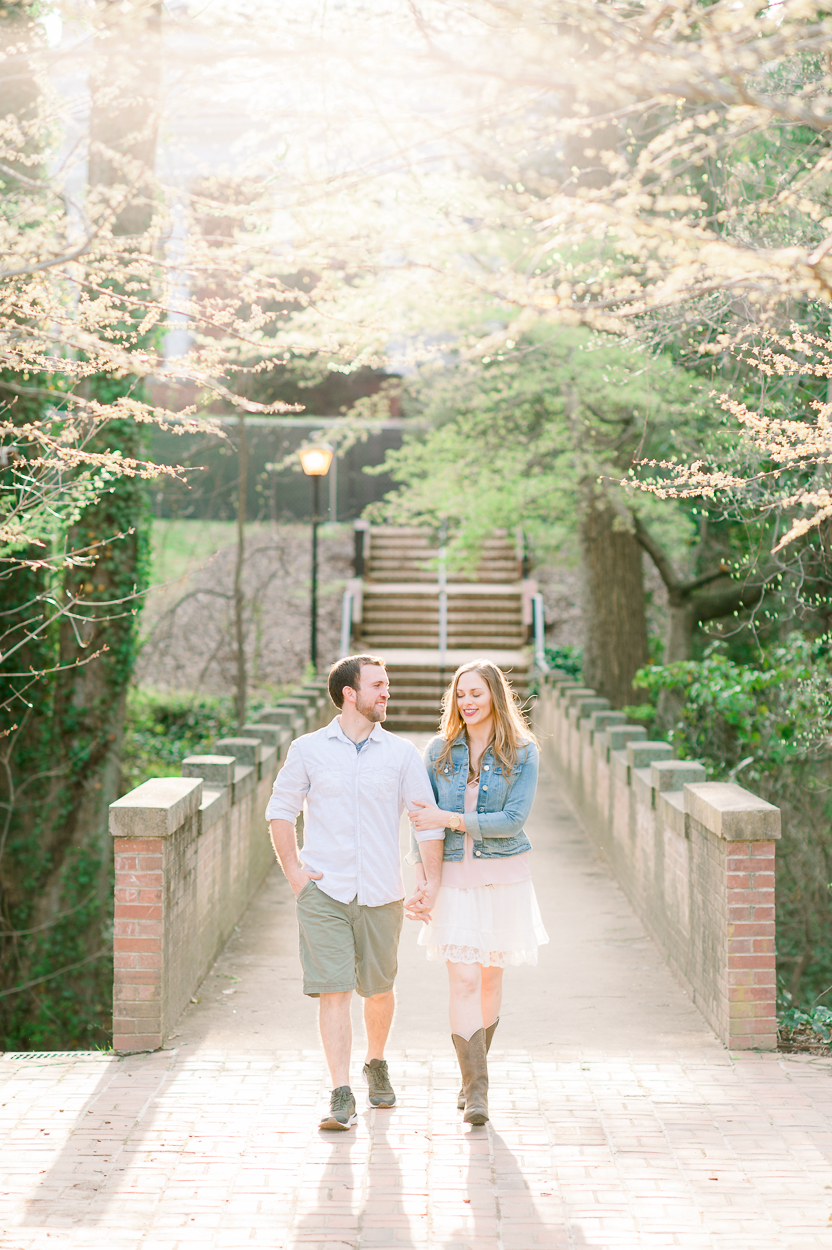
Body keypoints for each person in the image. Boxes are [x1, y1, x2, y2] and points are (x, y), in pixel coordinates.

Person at [267, 653, 445, 1132]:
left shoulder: (403, 754)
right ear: (350, 692)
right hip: (325, 892)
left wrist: (430, 882)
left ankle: (376, 1061)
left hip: (383, 891)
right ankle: (340, 1092)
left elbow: (425, 822)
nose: (387, 693)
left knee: (379, 989)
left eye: (387, 685)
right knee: (335, 990)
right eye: (379, 685)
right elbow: (280, 811)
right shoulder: (308, 750)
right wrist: (296, 875)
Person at [407, 660, 548, 1126]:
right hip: (453, 879)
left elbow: (513, 819)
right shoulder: (438, 751)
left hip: (503, 876)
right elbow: (421, 825)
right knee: (463, 980)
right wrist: (425, 882)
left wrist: (452, 820)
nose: (467, 702)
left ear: (495, 697)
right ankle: (479, 1093)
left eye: (476, 693)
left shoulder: (522, 752)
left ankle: (471, 1081)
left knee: (489, 978)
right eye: (460, 694)